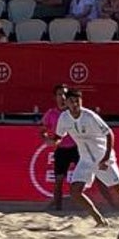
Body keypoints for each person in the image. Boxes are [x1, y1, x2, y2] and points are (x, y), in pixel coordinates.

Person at [51, 88, 119, 230]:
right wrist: (52, 141)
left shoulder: (89, 116)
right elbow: (59, 137)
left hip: (102, 156)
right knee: (75, 192)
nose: (75, 104)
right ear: (67, 103)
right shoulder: (64, 118)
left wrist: (106, 157)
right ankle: (100, 220)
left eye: (78, 101)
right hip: (85, 159)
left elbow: (109, 134)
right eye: (72, 101)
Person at [40, 83, 79, 211]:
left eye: (64, 94)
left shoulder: (74, 112)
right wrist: (46, 139)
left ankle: (111, 204)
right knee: (58, 181)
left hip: (78, 148)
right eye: (59, 94)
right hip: (62, 149)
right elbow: (42, 129)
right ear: (55, 97)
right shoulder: (51, 114)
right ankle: (58, 209)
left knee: (93, 177)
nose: (62, 97)